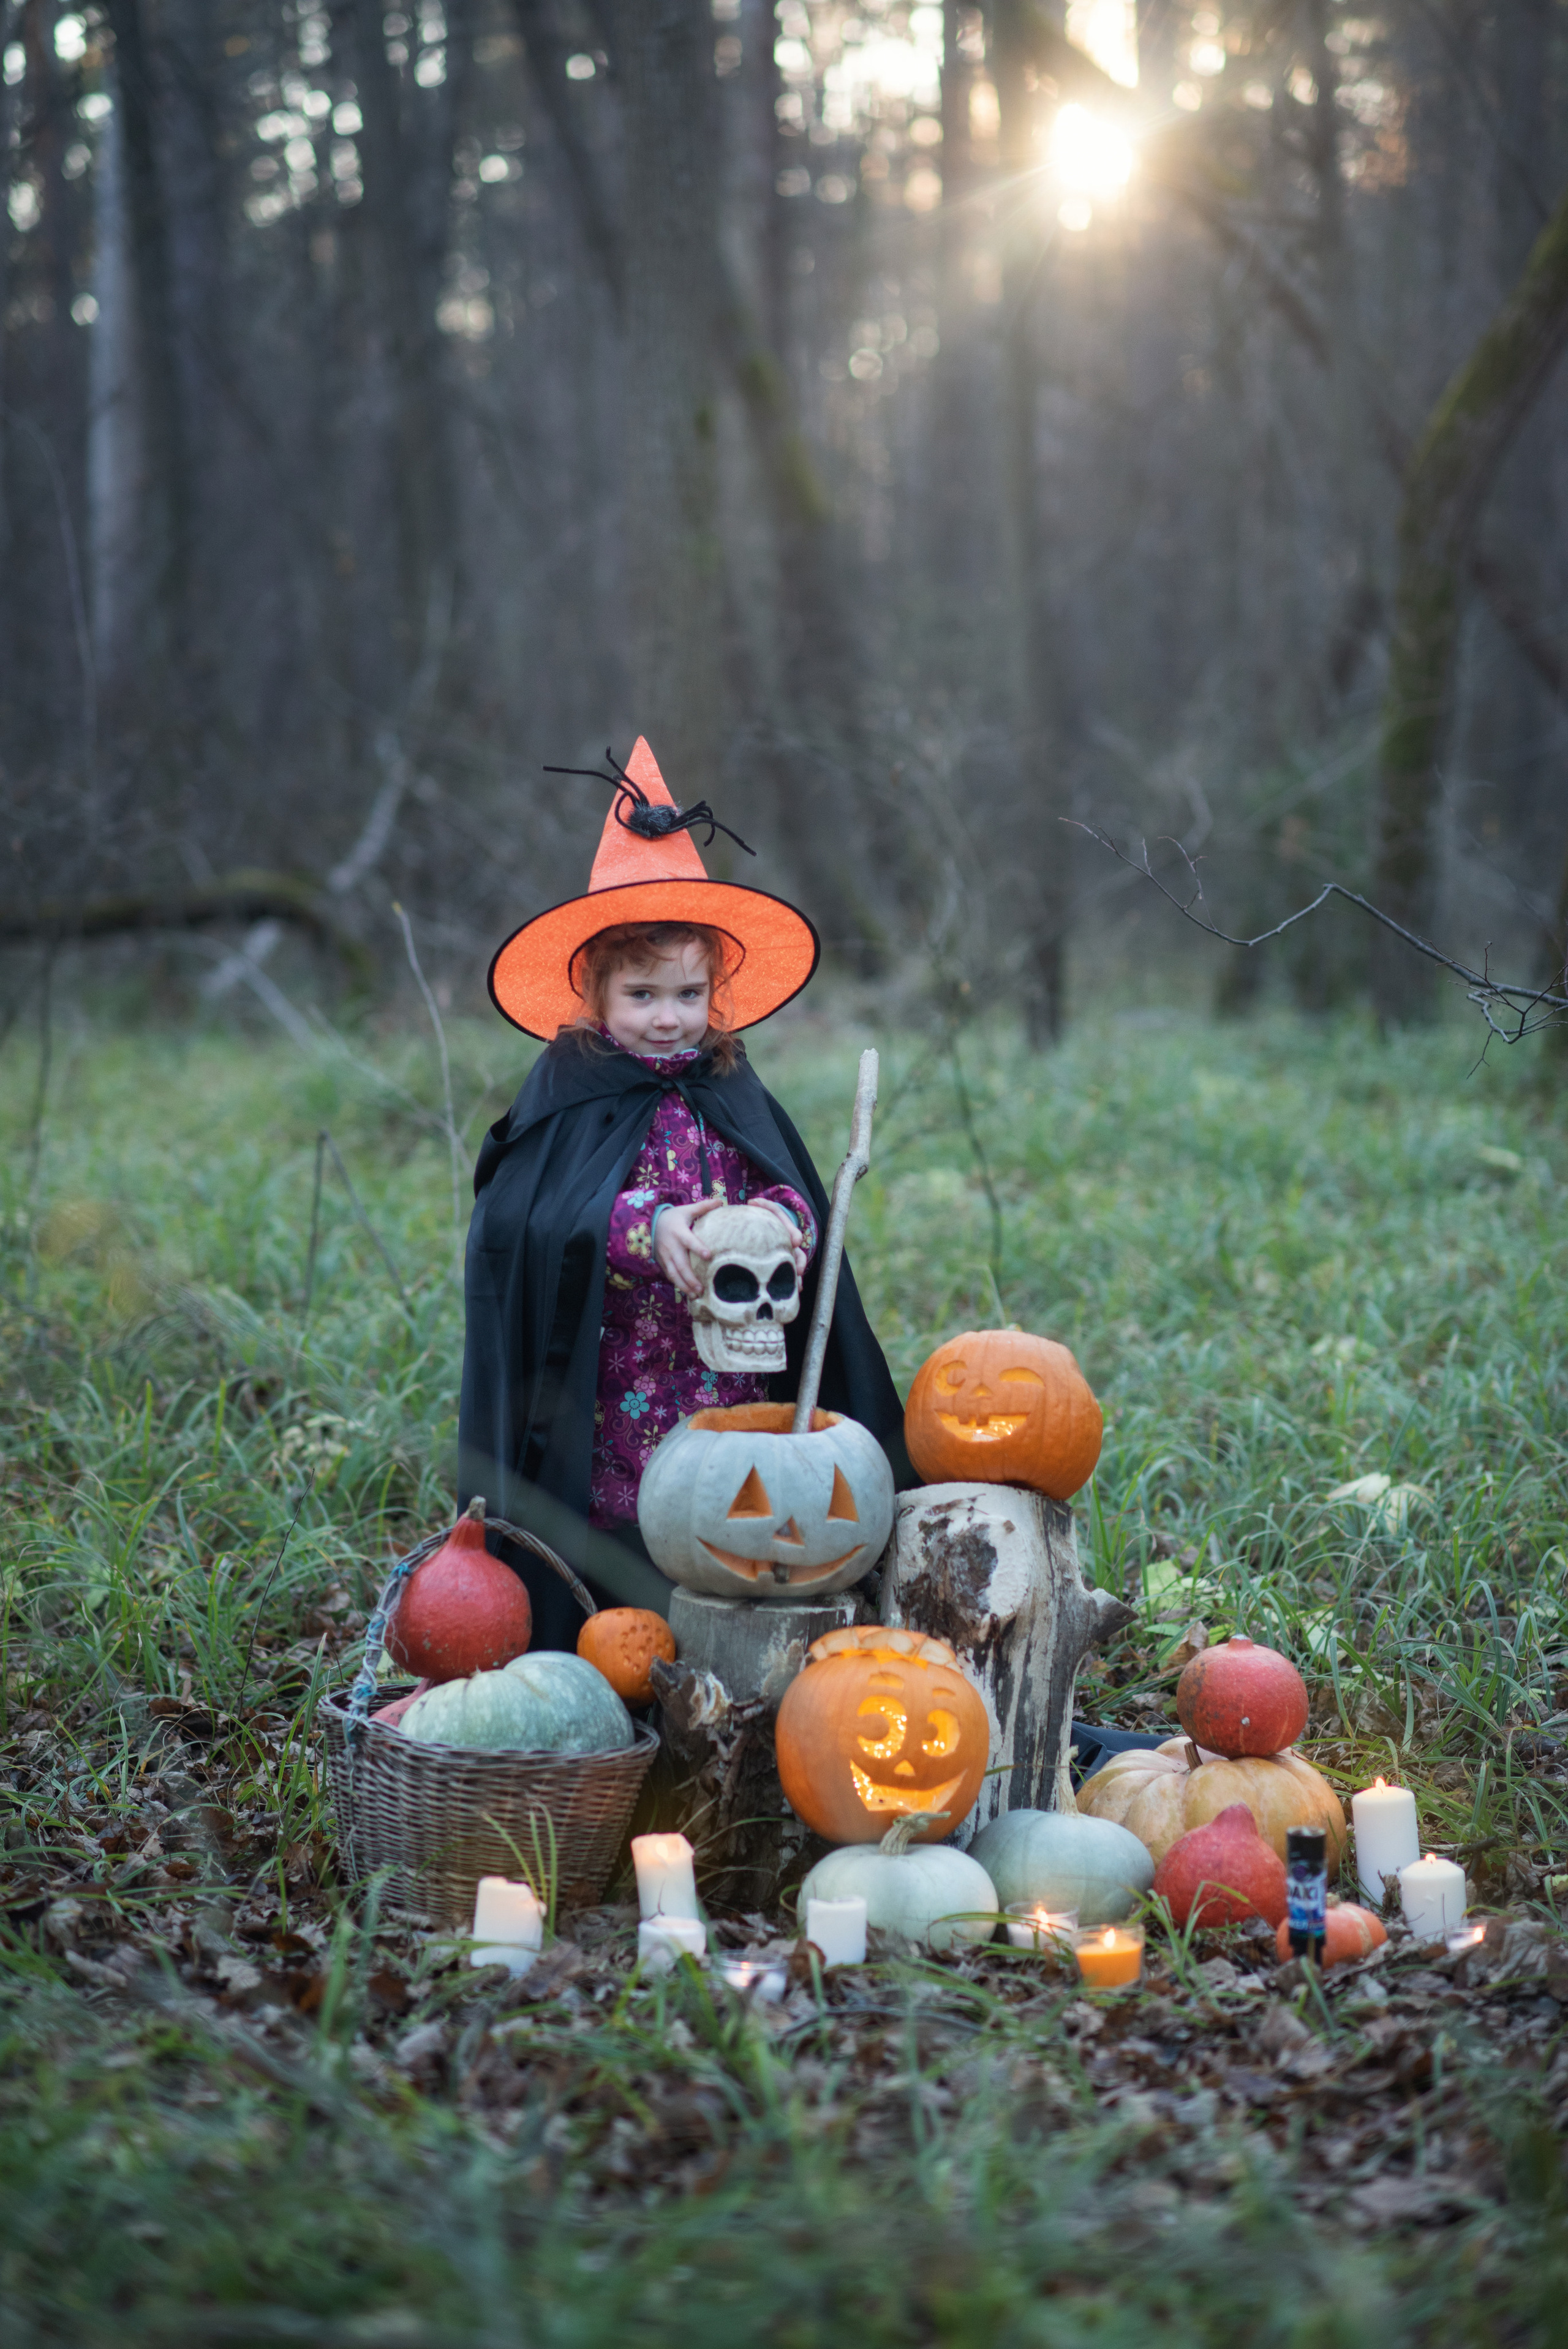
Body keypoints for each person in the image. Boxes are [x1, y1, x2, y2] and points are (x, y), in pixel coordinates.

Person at [459, 738, 911, 1649]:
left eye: (689, 992)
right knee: (634, 1518)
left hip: (728, 1366)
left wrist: (782, 1227)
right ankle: (620, 1645)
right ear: (593, 991)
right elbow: (520, 1218)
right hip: (617, 1374)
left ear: (717, 989)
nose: (668, 1016)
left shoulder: (727, 1080)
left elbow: (787, 1189)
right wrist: (642, 1226)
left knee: (729, 1512)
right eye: (642, 994)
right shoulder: (568, 1085)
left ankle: (740, 1652)